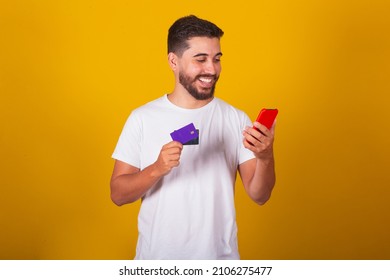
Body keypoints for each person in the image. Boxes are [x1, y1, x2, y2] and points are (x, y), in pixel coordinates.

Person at [110, 15, 276, 260]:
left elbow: (260, 195)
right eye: (200, 59)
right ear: (173, 61)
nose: (211, 69)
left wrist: (265, 157)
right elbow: (117, 194)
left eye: (216, 59)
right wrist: (156, 169)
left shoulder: (236, 119)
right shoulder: (142, 118)